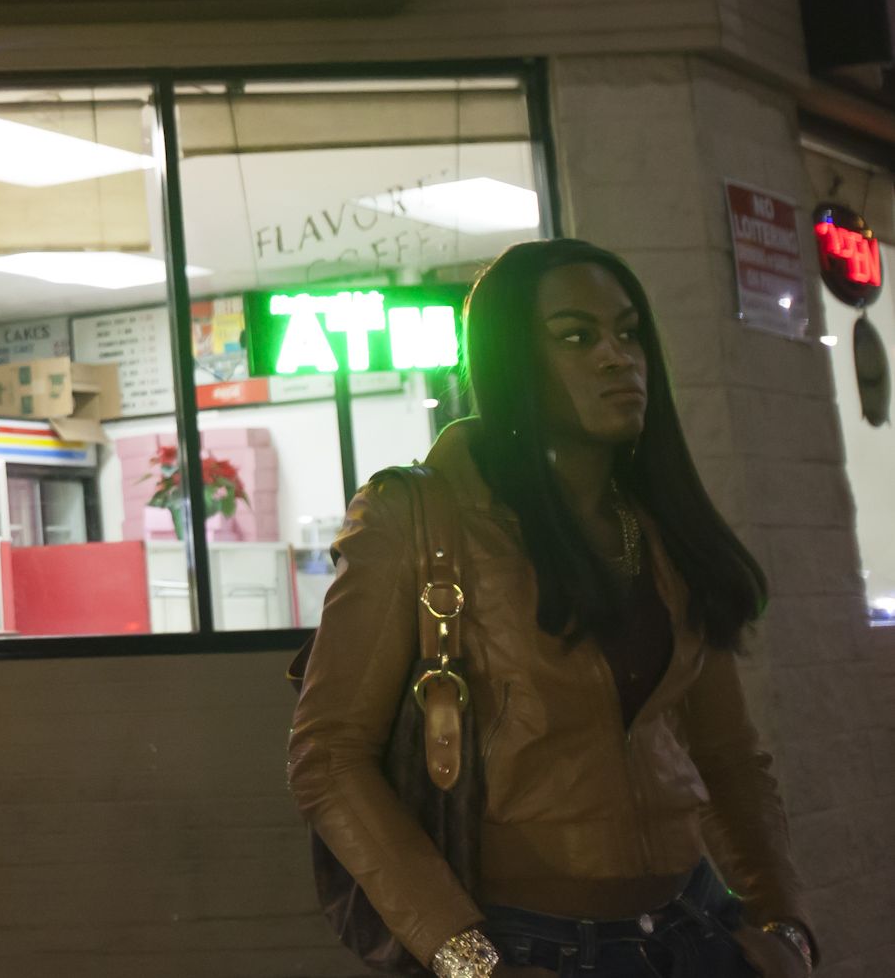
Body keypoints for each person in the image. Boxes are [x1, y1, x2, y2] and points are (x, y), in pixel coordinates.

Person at [288, 240, 816, 978]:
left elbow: (730, 756)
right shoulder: (418, 517)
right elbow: (329, 757)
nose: (615, 357)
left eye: (627, 333)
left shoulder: (660, 527)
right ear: (511, 360)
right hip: (534, 947)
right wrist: (470, 962)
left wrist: (786, 928)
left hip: (698, 930)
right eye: (575, 336)